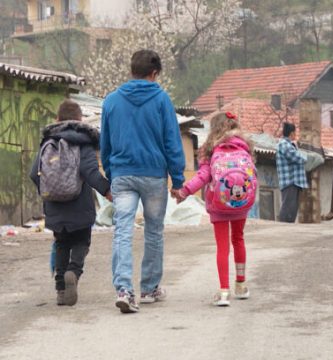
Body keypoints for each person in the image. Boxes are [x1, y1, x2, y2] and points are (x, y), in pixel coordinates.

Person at [101, 50, 185, 314]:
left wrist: (111, 176)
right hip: (153, 175)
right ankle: (149, 288)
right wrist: (178, 178)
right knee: (153, 231)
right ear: (154, 73)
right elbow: (172, 141)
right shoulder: (161, 99)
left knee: (123, 231)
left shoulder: (112, 101)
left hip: (123, 175)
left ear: (131, 70)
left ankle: (124, 290)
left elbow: (105, 144)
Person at [30, 99, 112, 306]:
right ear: (80, 119)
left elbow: (33, 173)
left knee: (61, 244)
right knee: (81, 241)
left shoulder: (47, 142)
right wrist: (108, 190)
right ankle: (73, 273)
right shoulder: (83, 141)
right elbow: (91, 173)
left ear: (57, 119)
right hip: (80, 204)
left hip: (54, 206)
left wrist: (48, 190)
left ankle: (60, 291)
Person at [175, 112, 256, 306]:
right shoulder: (245, 146)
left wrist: (185, 191)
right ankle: (241, 284)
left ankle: (224, 292)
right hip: (240, 204)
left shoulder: (209, 149)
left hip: (218, 204)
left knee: (222, 246)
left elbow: (203, 176)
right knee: (238, 239)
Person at [276, 122, 308, 223]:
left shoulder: (290, 145)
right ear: (292, 133)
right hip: (290, 181)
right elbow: (298, 158)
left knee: (292, 208)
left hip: (294, 182)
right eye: (295, 133)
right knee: (288, 208)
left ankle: (287, 228)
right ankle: (283, 229)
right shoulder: (284, 144)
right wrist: (306, 156)